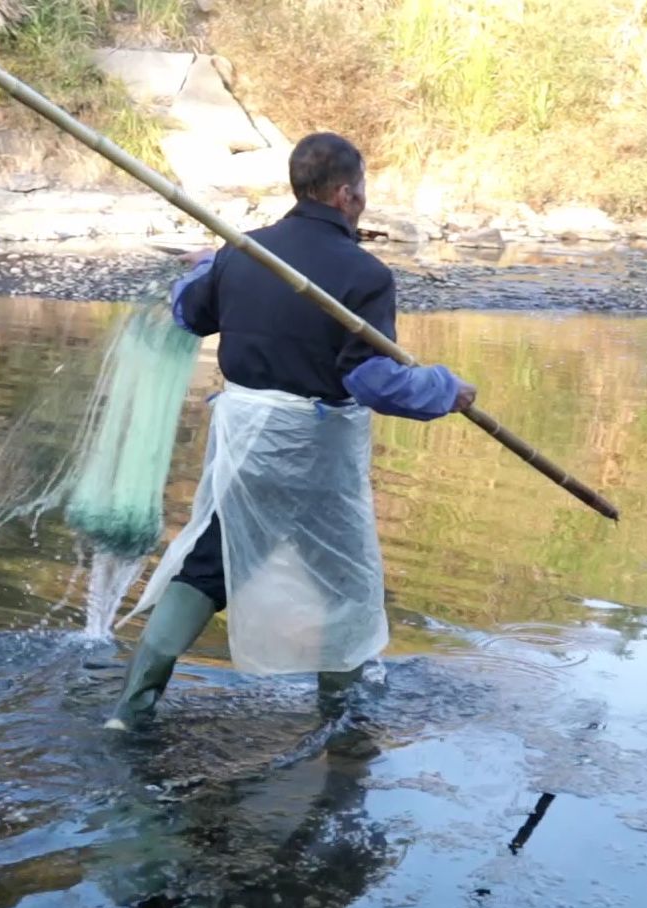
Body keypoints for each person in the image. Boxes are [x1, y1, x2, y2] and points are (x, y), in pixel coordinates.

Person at [105, 132, 475, 730]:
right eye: (360, 190)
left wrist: (209, 269)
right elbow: (372, 381)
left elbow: (188, 314)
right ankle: (343, 717)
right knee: (345, 579)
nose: (361, 200)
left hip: (248, 440)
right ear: (344, 193)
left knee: (210, 565)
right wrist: (444, 389)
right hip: (313, 450)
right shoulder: (365, 273)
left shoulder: (245, 252)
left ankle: (130, 710)